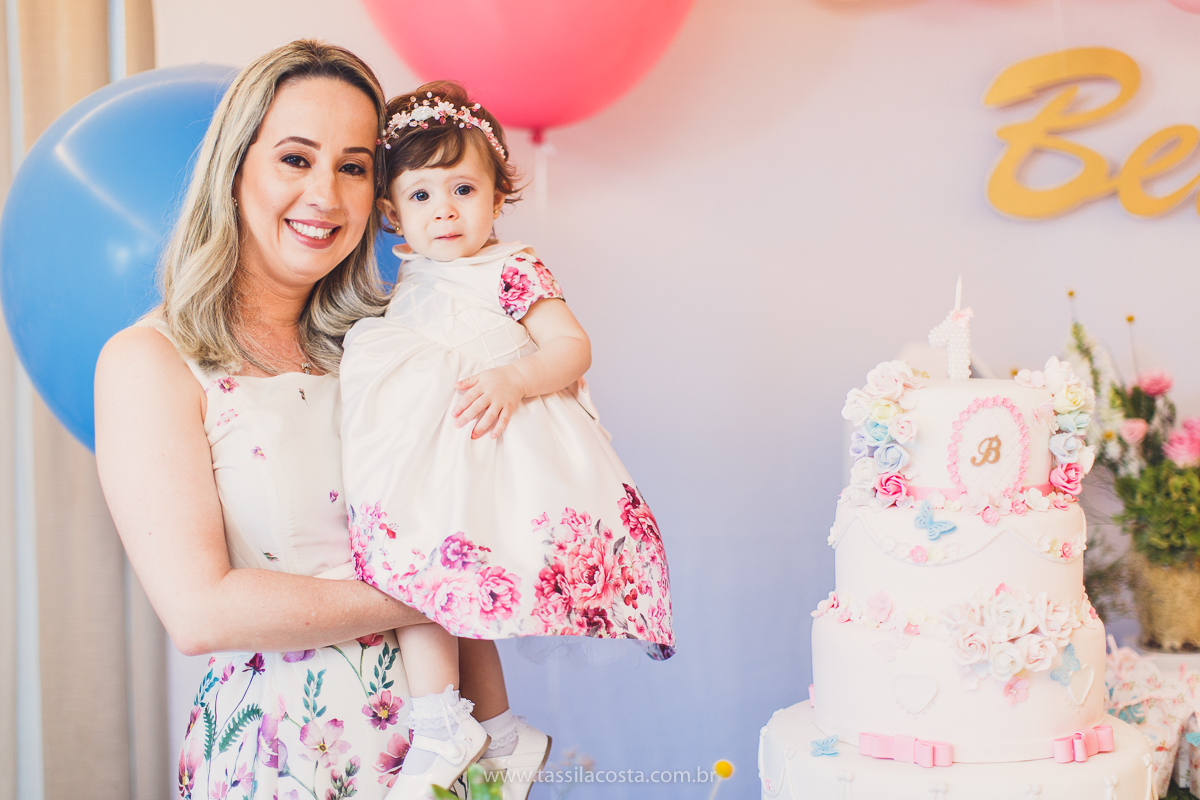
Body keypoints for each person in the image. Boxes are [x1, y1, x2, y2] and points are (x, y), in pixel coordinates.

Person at [95, 42, 509, 800]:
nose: (326, 194)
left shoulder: (392, 345)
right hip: (277, 759)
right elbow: (200, 610)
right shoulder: (150, 360)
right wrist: (439, 587)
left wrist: (495, 763)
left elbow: (455, 545)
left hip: (440, 764)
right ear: (234, 168)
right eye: (295, 159)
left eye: (354, 167)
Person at [338, 80, 676, 798]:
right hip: (436, 461)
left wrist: (516, 379)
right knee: (446, 591)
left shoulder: (512, 268)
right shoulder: (406, 283)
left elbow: (572, 347)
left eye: (463, 189)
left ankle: (441, 724)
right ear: (392, 213)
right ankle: (495, 732)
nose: (445, 210)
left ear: (497, 198)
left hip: (495, 451)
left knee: (437, 579)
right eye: (421, 195)